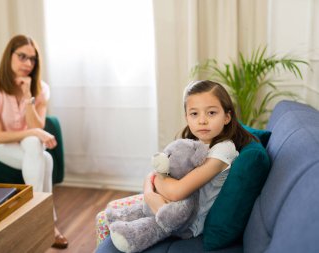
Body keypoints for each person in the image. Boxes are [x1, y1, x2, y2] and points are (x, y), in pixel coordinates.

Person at [95, 80, 256, 245]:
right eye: (194, 114)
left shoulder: (222, 150)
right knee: (105, 216)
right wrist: (150, 191)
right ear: (186, 116)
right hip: (171, 204)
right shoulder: (194, 143)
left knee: (106, 221)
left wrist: (152, 188)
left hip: (187, 221)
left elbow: (176, 191)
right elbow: (160, 174)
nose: (202, 120)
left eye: (211, 113)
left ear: (227, 117)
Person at [0, 34, 68, 249]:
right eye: (22, 57)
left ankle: (34, 219)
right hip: (0, 146)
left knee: (36, 147)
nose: (28, 63)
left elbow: (37, 125)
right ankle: (48, 223)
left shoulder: (41, 88)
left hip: (29, 146)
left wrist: (28, 96)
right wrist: (35, 133)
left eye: (33, 59)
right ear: (9, 56)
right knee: (44, 158)